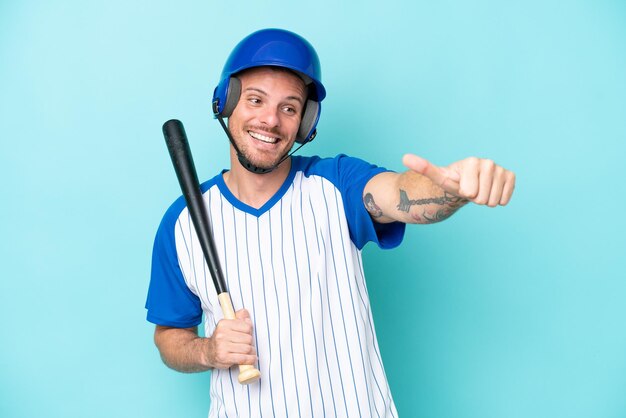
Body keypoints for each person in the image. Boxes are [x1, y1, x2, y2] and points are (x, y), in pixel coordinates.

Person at [146, 28, 515, 417]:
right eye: (256, 100)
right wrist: (209, 350)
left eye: (289, 108)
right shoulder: (183, 221)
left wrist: (454, 189)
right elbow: (170, 337)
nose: (270, 120)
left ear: (305, 122)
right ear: (226, 103)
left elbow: (399, 195)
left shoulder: (335, 185)